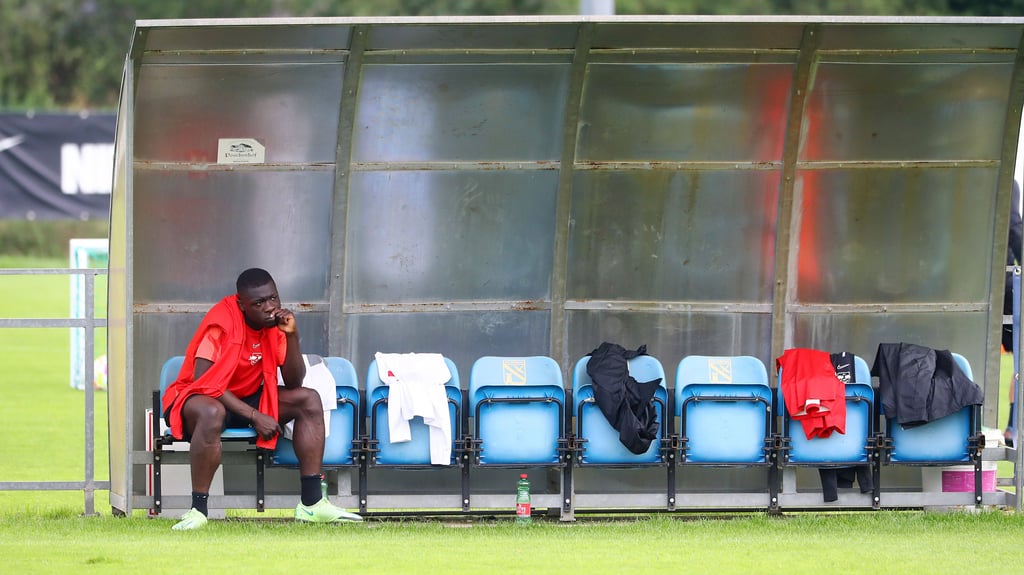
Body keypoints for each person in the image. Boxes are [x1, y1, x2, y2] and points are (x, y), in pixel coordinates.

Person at [161, 267, 362, 530]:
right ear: (241, 305)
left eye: (273, 298)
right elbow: (204, 382)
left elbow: (294, 381)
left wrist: (291, 335)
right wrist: (255, 416)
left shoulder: (275, 326)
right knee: (213, 412)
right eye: (259, 303)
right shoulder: (221, 323)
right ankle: (197, 511)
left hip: (244, 397)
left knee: (308, 399)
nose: (269, 308)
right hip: (197, 399)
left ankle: (312, 504)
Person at [1005, 181, 1023, 447]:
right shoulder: (1008, 181)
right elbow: (1014, 228)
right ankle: (1011, 427)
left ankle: (1011, 427)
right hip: (1003, 283)